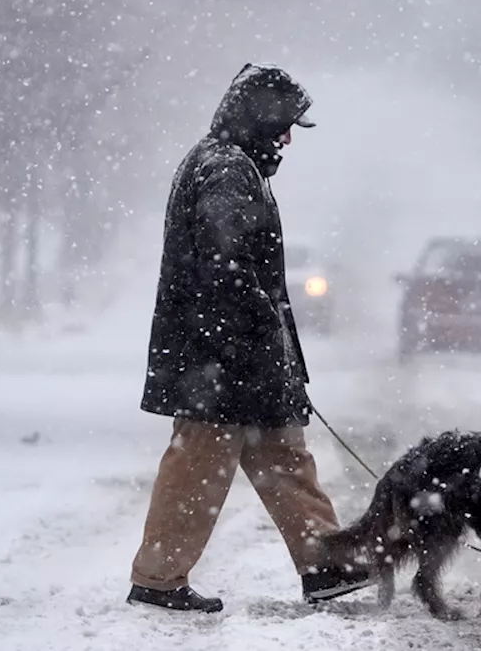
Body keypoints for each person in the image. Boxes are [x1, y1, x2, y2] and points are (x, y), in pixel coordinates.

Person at [127, 63, 372, 613]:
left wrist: (273, 350)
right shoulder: (224, 170)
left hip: (237, 354)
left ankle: (324, 563)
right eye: (283, 125)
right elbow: (225, 262)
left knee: (283, 456)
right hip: (219, 357)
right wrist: (259, 332)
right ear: (257, 119)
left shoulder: (234, 166)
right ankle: (158, 579)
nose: (287, 138)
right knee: (198, 465)